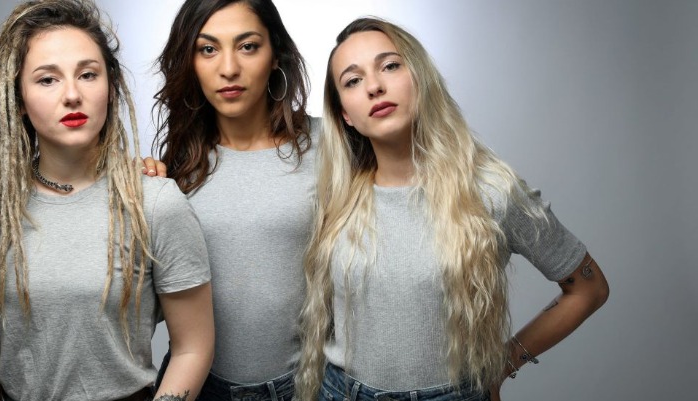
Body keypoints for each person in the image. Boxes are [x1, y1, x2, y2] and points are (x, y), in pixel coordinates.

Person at [296, 17, 610, 401]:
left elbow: (589, 288)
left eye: (390, 66)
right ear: (345, 114)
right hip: (341, 392)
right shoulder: (334, 195)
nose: (374, 86)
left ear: (420, 78)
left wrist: (506, 362)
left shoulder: (490, 191)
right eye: (352, 81)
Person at [0, 1, 213, 400]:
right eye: (48, 80)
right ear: (19, 99)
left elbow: (193, 347)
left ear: (110, 88)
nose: (72, 95)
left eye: (88, 74)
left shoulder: (155, 203)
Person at [152, 0, 316, 400]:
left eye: (247, 46)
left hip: (304, 386)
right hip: (199, 387)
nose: (228, 68)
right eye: (208, 49)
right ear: (190, 62)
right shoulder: (175, 166)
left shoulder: (329, 147)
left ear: (275, 55)